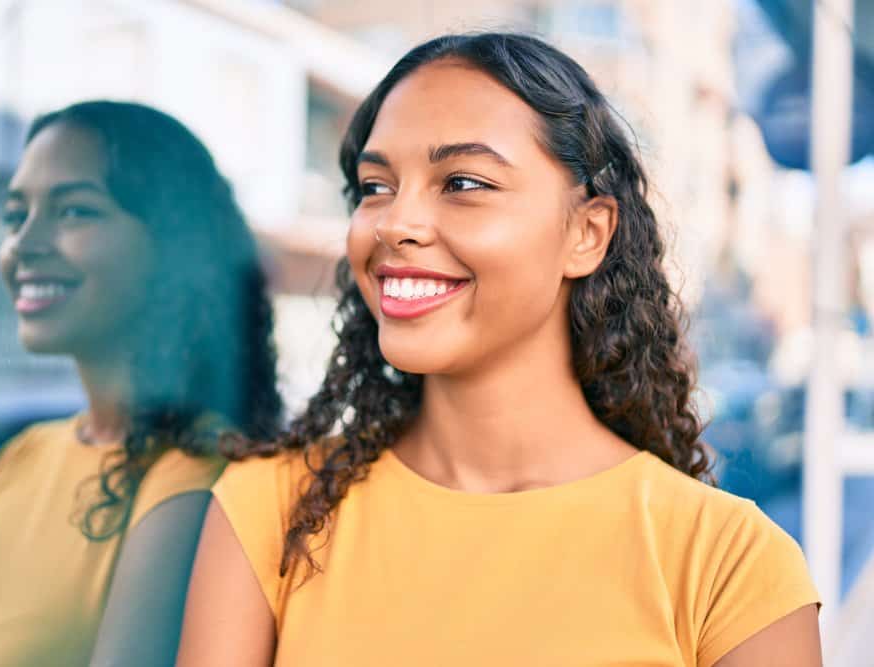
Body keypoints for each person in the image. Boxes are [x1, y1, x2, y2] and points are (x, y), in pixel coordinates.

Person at [178, 33, 821, 666]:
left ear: (586, 233)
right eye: (377, 186)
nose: (396, 223)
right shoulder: (270, 509)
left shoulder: (732, 565)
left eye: (461, 182)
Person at [0, 100, 280, 667]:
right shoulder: (23, 455)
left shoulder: (193, 474)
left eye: (74, 212)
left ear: (173, 248)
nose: (25, 244)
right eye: (16, 216)